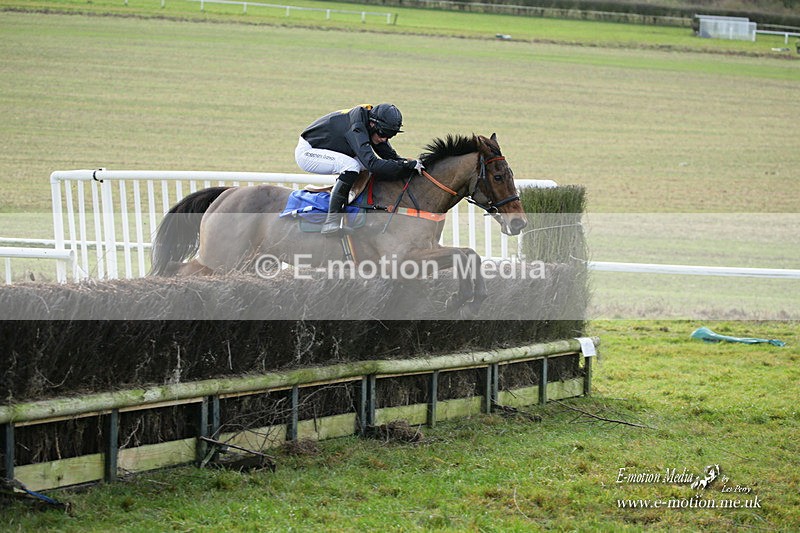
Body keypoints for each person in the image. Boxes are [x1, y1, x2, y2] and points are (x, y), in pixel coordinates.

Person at [295, 104, 424, 235]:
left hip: (328, 148)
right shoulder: (357, 128)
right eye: (383, 134)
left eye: (390, 136)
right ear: (373, 124)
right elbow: (373, 164)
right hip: (308, 152)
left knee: (361, 165)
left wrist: (409, 164)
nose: (384, 139)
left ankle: (351, 199)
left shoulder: (370, 122)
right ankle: (331, 221)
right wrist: (404, 166)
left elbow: (390, 157)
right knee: (352, 166)